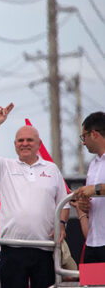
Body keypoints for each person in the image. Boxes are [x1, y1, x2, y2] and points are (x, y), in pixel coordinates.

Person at [0, 102, 70, 288]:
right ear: (15, 145)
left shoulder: (52, 169)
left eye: (29, 140)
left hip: (45, 248)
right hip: (12, 248)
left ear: (39, 144)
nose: (25, 144)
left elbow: (63, 205)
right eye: (20, 140)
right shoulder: (5, 167)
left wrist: (61, 224)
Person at [73, 111, 105, 263]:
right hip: (93, 243)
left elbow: (95, 190)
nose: (83, 142)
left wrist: (95, 189)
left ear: (94, 134)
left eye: (83, 136)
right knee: (91, 286)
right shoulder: (93, 165)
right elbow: (91, 200)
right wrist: (83, 205)